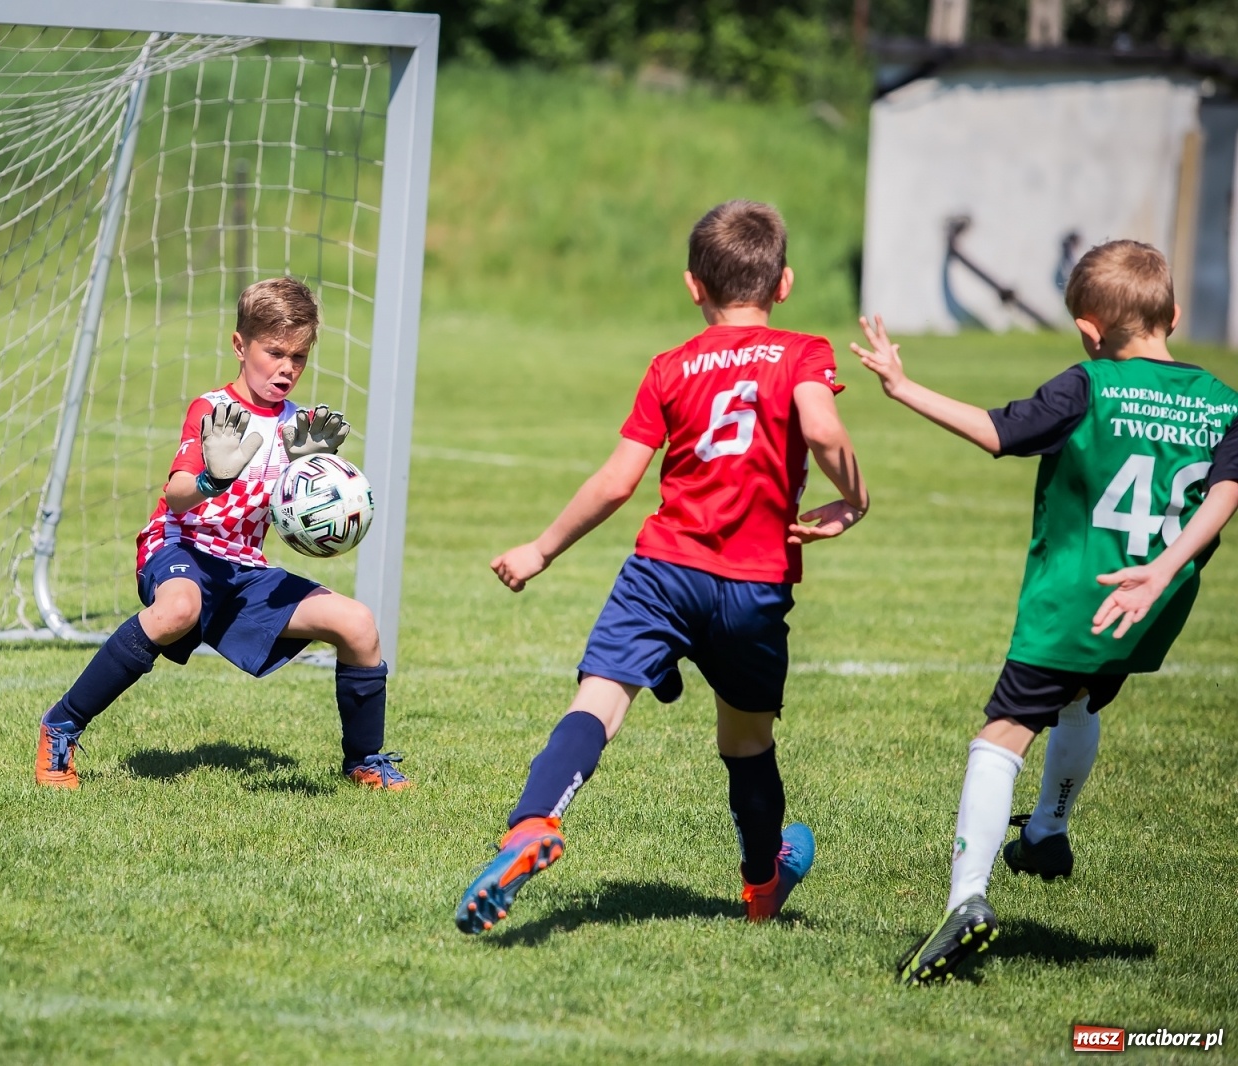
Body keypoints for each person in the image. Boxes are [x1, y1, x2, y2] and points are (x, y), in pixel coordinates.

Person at [454, 200, 870, 934]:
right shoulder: (803, 351)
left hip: (662, 569)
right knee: (746, 742)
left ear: (692, 287)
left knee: (599, 703)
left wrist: (540, 549)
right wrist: (854, 499)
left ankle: (531, 825)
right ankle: (761, 881)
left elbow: (618, 482)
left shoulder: (672, 365)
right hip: (752, 583)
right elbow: (824, 427)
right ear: (785, 284)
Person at [849, 240, 1238, 985]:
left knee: (1001, 736)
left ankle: (967, 901)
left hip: (1080, 601)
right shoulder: (1226, 402)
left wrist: (903, 387)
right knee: (1084, 697)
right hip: (1153, 599)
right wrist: (1164, 569)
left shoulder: (1088, 386)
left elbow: (999, 431)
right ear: (1175, 315)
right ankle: (1050, 831)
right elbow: (1227, 489)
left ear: (1090, 331)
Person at [33, 277, 410, 793]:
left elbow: (297, 518)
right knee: (178, 609)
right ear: (240, 345)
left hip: (242, 569)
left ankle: (365, 760)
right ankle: (62, 724)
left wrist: (314, 479)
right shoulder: (214, 412)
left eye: (298, 356)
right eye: (274, 352)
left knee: (358, 624)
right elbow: (179, 493)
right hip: (178, 548)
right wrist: (213, 477)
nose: (286, 368)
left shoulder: (298, 426)